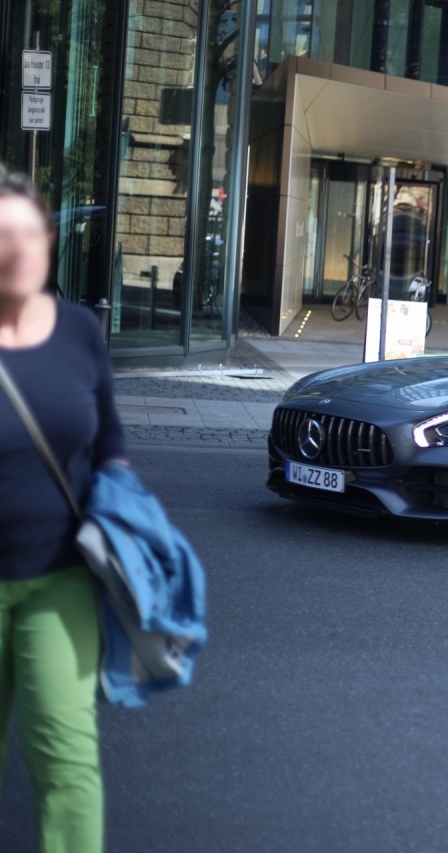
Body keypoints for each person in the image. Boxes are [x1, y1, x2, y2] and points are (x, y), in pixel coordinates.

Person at [0, 167, 124, 853]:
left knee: (68, 754)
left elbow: (109, 435)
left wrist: (122, 499)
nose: (16, 249)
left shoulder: (79, 330)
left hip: (62, 575)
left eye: (27, 234)